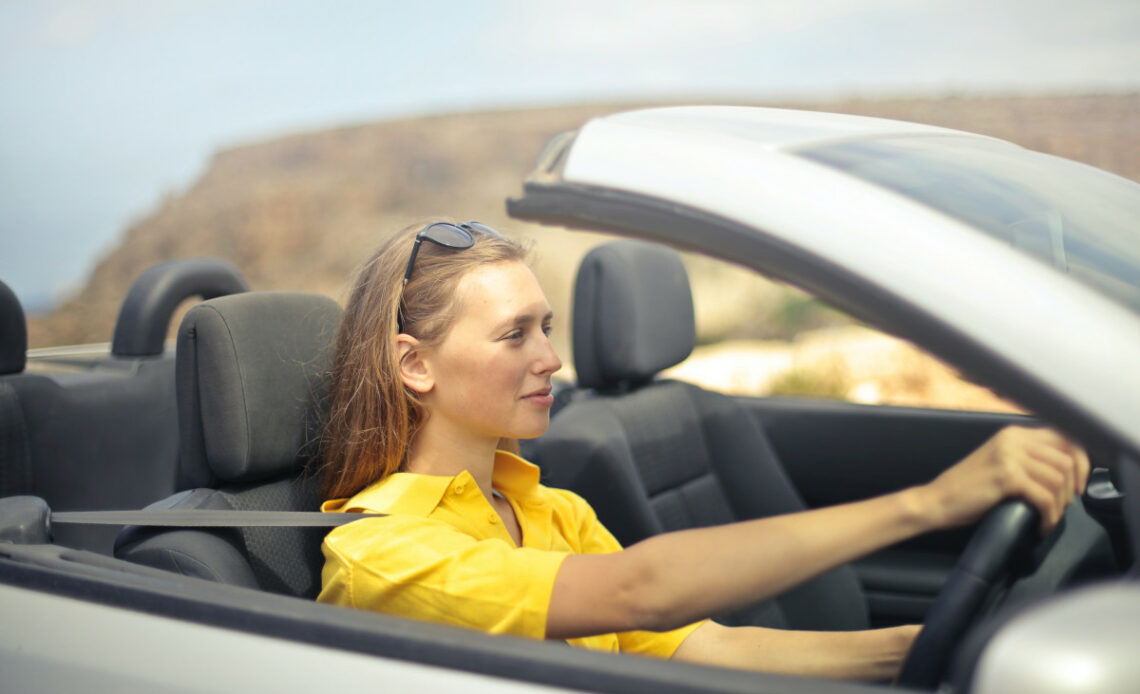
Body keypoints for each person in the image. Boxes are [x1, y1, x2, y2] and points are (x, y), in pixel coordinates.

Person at [316, 220, 1089, 681]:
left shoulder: (549, 510)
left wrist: (935, 648)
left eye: (546, 327)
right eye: (514, 335)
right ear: (414, 364)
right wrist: (927, 505)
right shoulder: (384, 552)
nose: (550, 358)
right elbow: (638, 592)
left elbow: (700, 647)